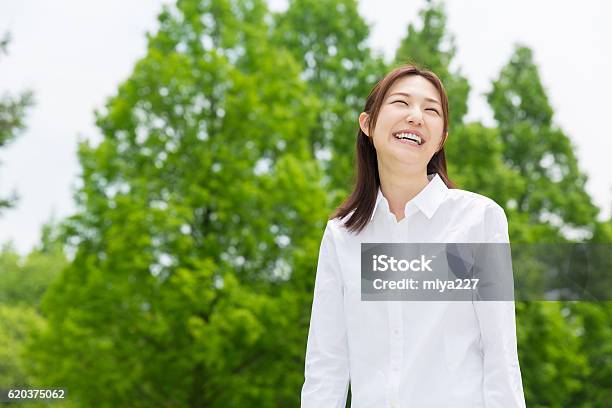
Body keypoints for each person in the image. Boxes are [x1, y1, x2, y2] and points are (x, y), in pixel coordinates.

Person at [300, 64, 526, 408]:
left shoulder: (479, 220)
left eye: (431, 110)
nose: (416, 116)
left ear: (440, 140)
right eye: (401, 103)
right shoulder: (342, 235)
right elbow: (326, 366)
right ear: (368, 124)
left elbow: (500, 354)